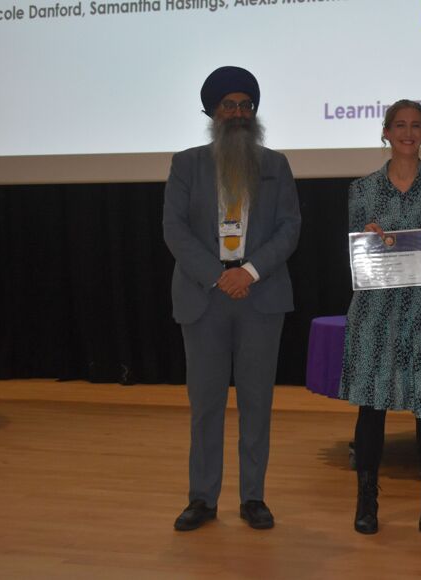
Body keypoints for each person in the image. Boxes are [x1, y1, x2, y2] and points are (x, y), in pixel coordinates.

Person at [163, 66, 301, 532]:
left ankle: (253, 497)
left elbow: (290, 228)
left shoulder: (276, 164)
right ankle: (202, 499)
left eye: (246, 105)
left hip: (260, 294)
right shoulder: (186, 164)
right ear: (213, 112)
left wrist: (249, 272)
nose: (239, 113)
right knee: (205, 405)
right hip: (205, 297)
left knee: (256, 403)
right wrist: (218, 276)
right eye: (229, 105)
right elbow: (174, 230)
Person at [339, 99, 421, 535]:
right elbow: (355, 256)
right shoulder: (362, 189)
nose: (408, 133)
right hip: (375, 312)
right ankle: (366, 500)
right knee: (371, 408)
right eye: (400, 125)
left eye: (416, 125)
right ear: (386, 131)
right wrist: (367, 241)